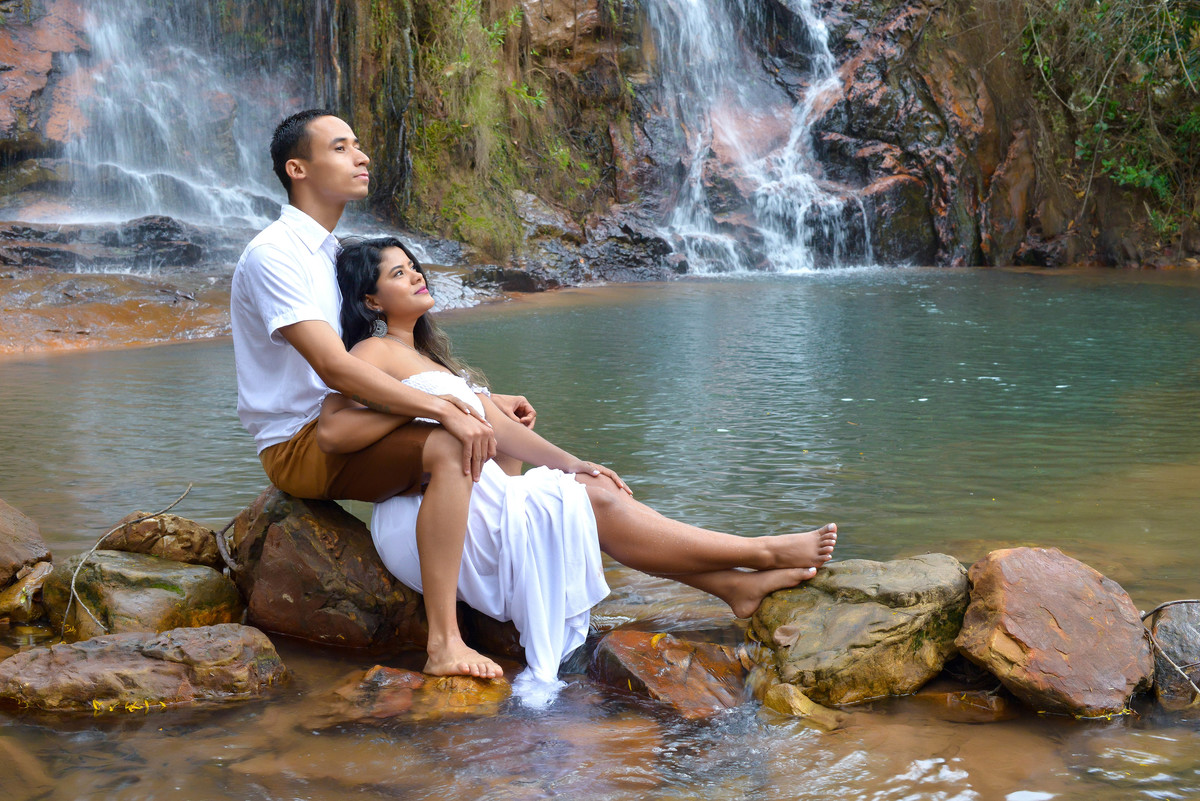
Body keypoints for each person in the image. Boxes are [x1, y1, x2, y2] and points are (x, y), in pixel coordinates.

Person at [315, 236, 839, 698]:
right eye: (398, 273)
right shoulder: (373, 350)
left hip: (471, 498)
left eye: (415, 267)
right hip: (426, 516)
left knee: (586, 487)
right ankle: (760, 551)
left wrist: (575, 461)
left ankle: (733, 586)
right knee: (593, 501)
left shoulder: (431, 358)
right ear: (371, 300)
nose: (417, 276)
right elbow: (334, 429)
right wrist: (436, 411)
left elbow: (504, 432)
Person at [231, 109, 535, 679]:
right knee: (449, 444)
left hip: (353, 422)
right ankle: (444, 642)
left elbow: (389, 357)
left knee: (488, 428)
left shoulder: (332, 253)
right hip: (302, 441)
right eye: (341, 147)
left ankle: (501, 598)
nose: (363, 156)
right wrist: (448, 408)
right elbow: (336, 367)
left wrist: (480, 400)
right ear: (297, 168)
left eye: (359, 146)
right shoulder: (276, 254)